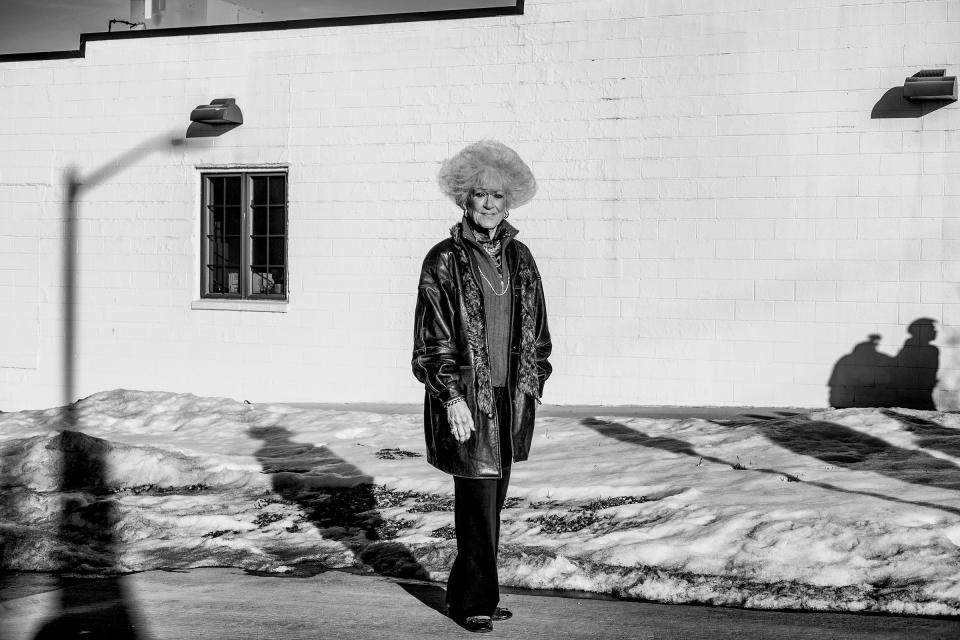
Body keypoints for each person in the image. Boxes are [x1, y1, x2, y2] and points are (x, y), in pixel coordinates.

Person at [412, 140, 552, 633]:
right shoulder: (443, 260)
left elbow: (538, 334)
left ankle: (475, 596)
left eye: (496, 195)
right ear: (462, 199)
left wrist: (534, 383)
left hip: (509, 402)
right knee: (475, 507)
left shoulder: (522, 258)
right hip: (467, 403)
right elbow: (432, 341)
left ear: (509, 200)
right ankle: (473, 601)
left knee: (492, 506)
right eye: (478, 195)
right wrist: (449, 395)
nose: (488, 204)